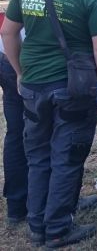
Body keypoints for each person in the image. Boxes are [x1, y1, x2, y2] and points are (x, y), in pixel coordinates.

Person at [1, 0, 97, 248]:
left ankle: (37, 225)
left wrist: (21, 72)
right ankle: (57, 229)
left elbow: (8, 32)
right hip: (73, 89)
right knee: (67, 156)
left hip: (34, 85)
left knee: (38, 155)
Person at [0, 36, 27, 226]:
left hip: (6, 55)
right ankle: (61, 200)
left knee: (16, 133)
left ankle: (17, 205)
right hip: (25, 56)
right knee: (49, 131)